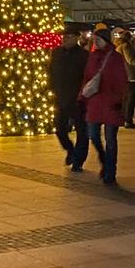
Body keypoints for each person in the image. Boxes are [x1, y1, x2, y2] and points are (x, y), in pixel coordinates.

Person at [82, 24, 128, 186]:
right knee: (93, 135)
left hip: (111, 103)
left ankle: (110, 171)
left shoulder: (115, 58)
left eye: (98, 39)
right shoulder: (92, 57)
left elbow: (122, 80)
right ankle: (104, 160)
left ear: (106, 40)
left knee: (111, 140)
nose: (96, 42)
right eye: (94, 39)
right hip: (95, 102)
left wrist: (119, 99)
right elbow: (87, 78)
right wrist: (82, 97)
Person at [49, 28, 89, 172]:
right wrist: (52, 88)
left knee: (81, 131)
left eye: (69, 36)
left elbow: (87, 77)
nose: (65, 39)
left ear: (76, 38)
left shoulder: (84, 55)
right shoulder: (57, 53)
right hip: (60, 98)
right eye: (64, 36)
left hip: (78, 99)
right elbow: (51, 71)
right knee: (59, 128)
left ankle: (78, 161)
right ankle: (70, 149)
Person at [117, 29, 135, 128]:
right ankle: (128, 120)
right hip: (131, 75)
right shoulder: (126, 46)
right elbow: (131, 60)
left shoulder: (119, 45)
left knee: (127, 99)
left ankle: (124, 119)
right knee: (131, 99)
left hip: (125, 74)